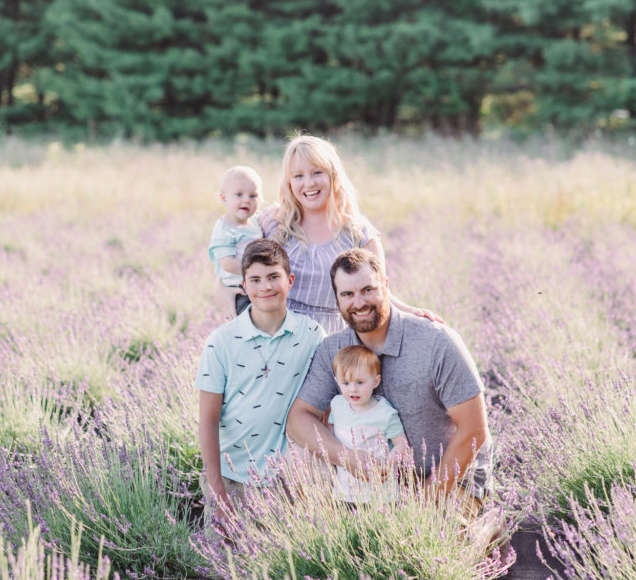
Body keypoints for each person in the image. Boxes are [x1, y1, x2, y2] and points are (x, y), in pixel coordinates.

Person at [287, 248, 492, 520]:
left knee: (426, 550)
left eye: (367, 290)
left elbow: (474, 429)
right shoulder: (333, 349)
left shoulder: (436, 341)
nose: (358, 303)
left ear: (385, 285)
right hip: (368, 482)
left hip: (445, 477)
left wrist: (431, 497)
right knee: (299, 463)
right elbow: (298, 419)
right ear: (336, 299)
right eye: (347, 294)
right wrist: (345, 457)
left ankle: (487, 530)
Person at [195, 239, 326, 536]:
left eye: (273, 277)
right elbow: (207, 419)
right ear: (244, 285)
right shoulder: (221, 342)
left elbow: (323, 409)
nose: (265, 286)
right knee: (224, 562)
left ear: (289, 281)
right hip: (232, 476)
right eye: (255, 279)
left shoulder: (312, 336)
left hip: (289, 479)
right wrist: (217, 489)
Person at [261, 134, 437, 333]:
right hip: (277, 334)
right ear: (289, 183)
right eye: (298, 176)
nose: (308, 183)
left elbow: (380, 293)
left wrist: (412, 312)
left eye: (317, 172)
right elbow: (234, 273)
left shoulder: (358, 232)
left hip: (332, 339)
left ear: (333, 176)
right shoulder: (272, 222)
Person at [328, 344, 410, 504]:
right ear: (337, 382)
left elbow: (401, 443)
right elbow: (330, 432)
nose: (353, 389)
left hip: (381, 492)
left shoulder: (384, 412)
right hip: (345, 490)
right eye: (345, 383)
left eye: (360, 382)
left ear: (375, 381)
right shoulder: (337, 405)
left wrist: (389, 464)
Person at [209, 166, 264, 320]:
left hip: (256, 285)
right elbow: (227, 263)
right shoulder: (224, 229)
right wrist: (258, 272)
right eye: (239, 194)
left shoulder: (254, 222)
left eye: (253, 196)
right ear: (224, 198)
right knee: (247, 326)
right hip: (239, 291)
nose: (246, 200)